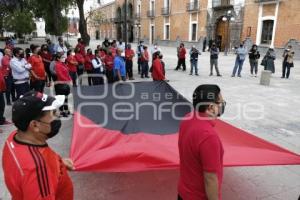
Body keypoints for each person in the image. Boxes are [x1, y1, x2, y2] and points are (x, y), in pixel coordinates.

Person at [2, 91, 74, 199]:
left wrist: (58, 163)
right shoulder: (38, 170)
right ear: (35, 125)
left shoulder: (13, 138)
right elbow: (35, 167)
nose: (57, 116)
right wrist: (47, 167)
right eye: (53, 113)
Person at [178, 84, 225, 200]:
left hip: (183, 191)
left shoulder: (188, 117)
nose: (222, 105)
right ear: (210, 108)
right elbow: (210, 178)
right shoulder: (209, 136)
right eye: (220, 102)